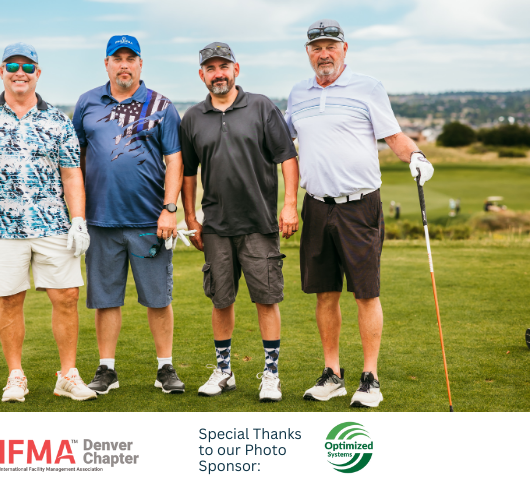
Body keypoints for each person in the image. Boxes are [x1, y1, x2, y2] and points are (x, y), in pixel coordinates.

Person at [285, 20, 434, 407]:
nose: (324, 54)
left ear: (344, 49)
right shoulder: (297, 93)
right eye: (316, 47)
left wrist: (416, 157)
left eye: (330, 46)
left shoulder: (368, 87)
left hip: (360, 205)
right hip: (317, 204)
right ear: (308, 53)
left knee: (366, 293)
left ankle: (370, 378)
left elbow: (394, 136)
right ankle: (332, 374)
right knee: (324, 293)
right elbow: (282, 143)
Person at [0, 42, 96, 402]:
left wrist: (78, 220)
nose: (21, 72)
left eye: (28, 66)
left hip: (52, 224)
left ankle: (67, 375)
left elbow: (71, 174)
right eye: (12, 65)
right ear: (1, 71)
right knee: (9, 299)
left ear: (38, 73)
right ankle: (16, 376)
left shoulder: (58, 120)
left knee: (66, 297)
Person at [180, 42, 299, 402]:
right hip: (215, 224)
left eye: (224, 66)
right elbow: (187, 173)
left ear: (236, 69)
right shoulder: (192, 118)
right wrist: (190, 217)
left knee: (267, 299)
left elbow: (287, 158)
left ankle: (271, 374)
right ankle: (224, 371)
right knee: (221, 300)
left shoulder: (261, 106)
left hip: (259, 223)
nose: (218, 73)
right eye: (210, 68)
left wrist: (290, 204)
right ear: (202, 74)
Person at [72, 35, 186, 395]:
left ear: (140, 64)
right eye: (116, 58)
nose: (124, 64)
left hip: (149, 221)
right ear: (106, 63)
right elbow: (76, 159)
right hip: (101, 220)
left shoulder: (161, 105)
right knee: (105, 298)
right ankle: (107, 370)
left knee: (158, 297)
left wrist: (170, 209)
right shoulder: (87, 102)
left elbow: (175, 161)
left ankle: (165, 368)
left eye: (130, 58)